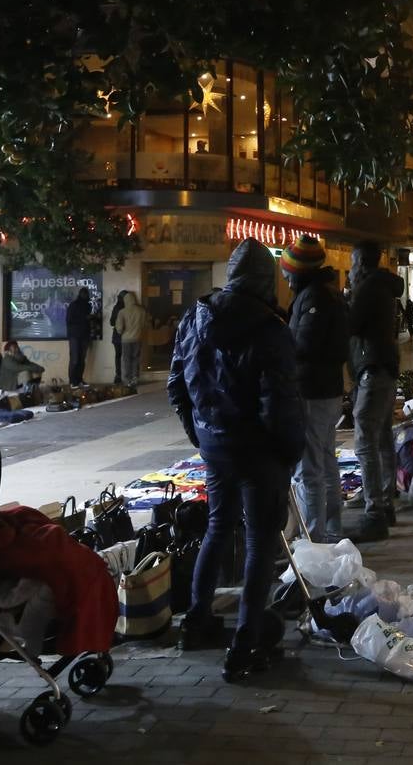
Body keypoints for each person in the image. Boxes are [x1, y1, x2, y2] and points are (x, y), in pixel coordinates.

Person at [168, 239, 304, 680]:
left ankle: (197, 620)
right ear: (266, 281)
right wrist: (287, 453)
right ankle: (246, 645)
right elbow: (280, 403)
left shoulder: (195, 316)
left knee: (218, 526)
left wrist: (201, 437)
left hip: (215, 444)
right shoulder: (269, 328)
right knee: (261, 543)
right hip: (258, 452)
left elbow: (178, 384)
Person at [282, 235, 348, 544]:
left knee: (310, 466)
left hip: (313, 391)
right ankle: (332, 526)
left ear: (299, 271)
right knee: (325, 458)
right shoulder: (325, 293)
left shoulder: (315, 298)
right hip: (327, 388)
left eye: (286, 271)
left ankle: (314, 536)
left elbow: (304, 344)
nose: (283, 277)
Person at [348, 239, 405, 542]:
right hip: (384, 368)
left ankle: (374, 514)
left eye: (353, 262)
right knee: (382, 438)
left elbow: (351, 325)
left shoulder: (367, 288)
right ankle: (385, 502)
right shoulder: (383, 287)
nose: (350, 268)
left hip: (372, 369)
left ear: (362, 263)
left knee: (365, 442)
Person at [113, 290, 146, 388]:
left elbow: (119, 328)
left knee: (126, 359)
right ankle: (135, 377)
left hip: (126, 339)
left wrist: (121, 332)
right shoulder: (141, 311)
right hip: (138, 338)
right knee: (136, 358)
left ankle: (127, 379)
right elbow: (144, 325)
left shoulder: (122, 312)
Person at [65, 287, 92, 388]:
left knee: (81, 359)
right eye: (84, 294)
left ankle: (79, 379)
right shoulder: (74, 305)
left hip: (84, 335)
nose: (86, 296)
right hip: (75, 335)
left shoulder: (88, 306)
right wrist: (84, 319)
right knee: (75, 359)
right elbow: (69, 320)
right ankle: (73, 381)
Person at [109, 293, 125, 384]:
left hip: (116, 336)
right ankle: (124, 375)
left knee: (118, 356)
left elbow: (111, 322)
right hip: (125, 335)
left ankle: (118, 375)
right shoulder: (126, 308)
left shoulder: (116, 307)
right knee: (125, 357)